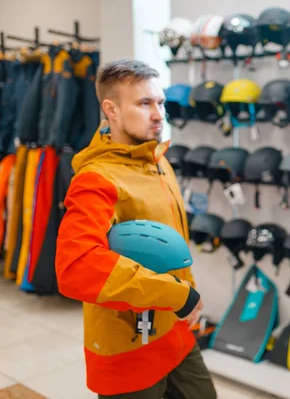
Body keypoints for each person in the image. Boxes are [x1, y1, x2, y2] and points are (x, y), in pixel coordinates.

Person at [55, 60, 217, 399]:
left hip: (175, 331)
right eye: (144, 104)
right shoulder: (96, 179)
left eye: (160, 103)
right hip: (126, 345)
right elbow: (76, 267)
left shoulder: (157, 160)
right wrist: (177, 295)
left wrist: (183, 297)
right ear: (110, 109)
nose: (158, 114)